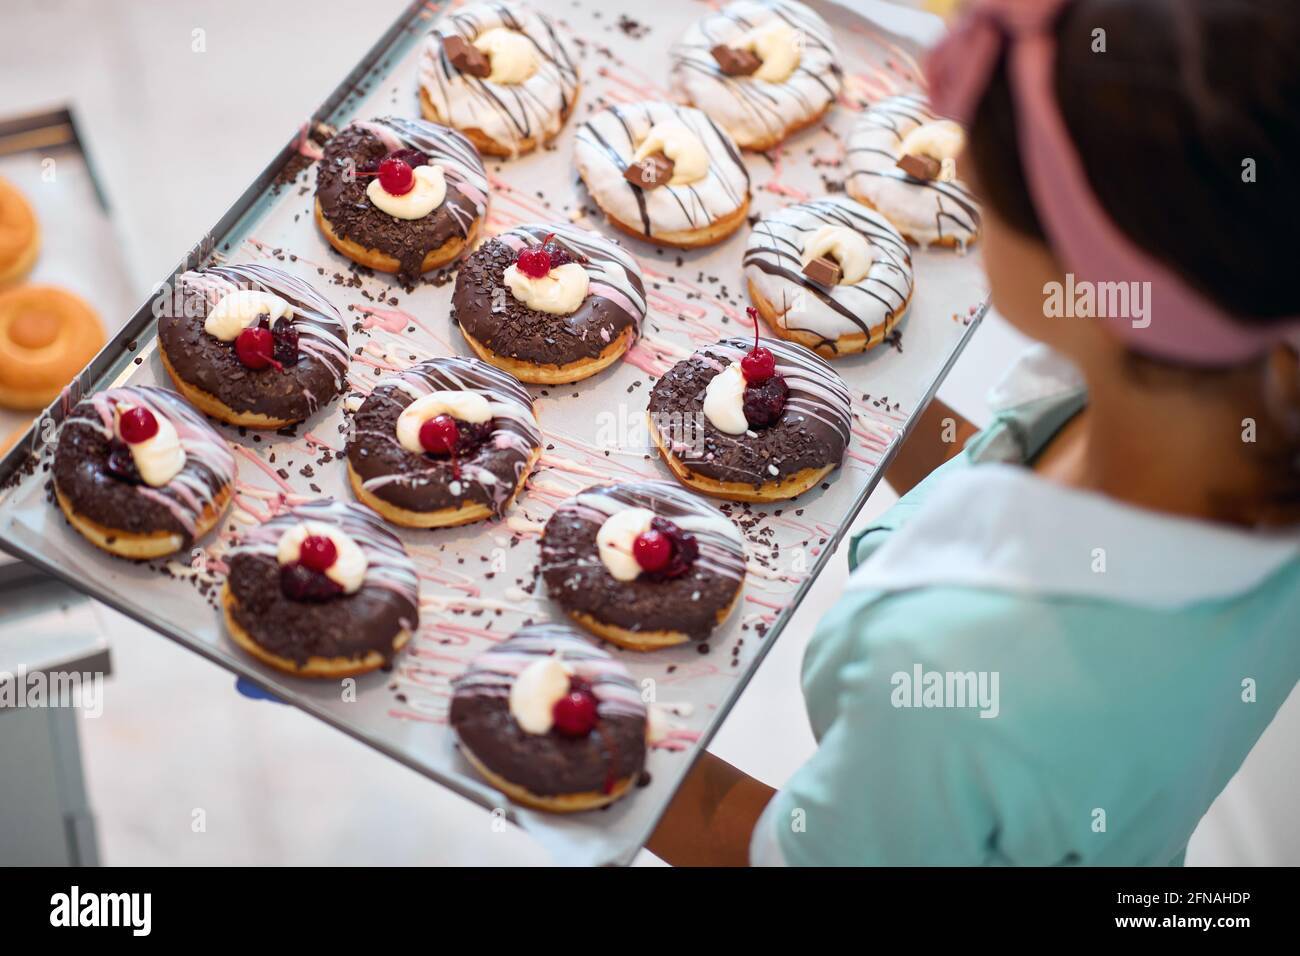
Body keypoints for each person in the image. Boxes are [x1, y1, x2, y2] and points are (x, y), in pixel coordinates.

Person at [648, 0, 1300, 866]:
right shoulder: (1230, 383)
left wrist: (611, 753)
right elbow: (1009, 459)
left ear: (1075, 266)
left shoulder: (960, 679)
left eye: (984, 178)